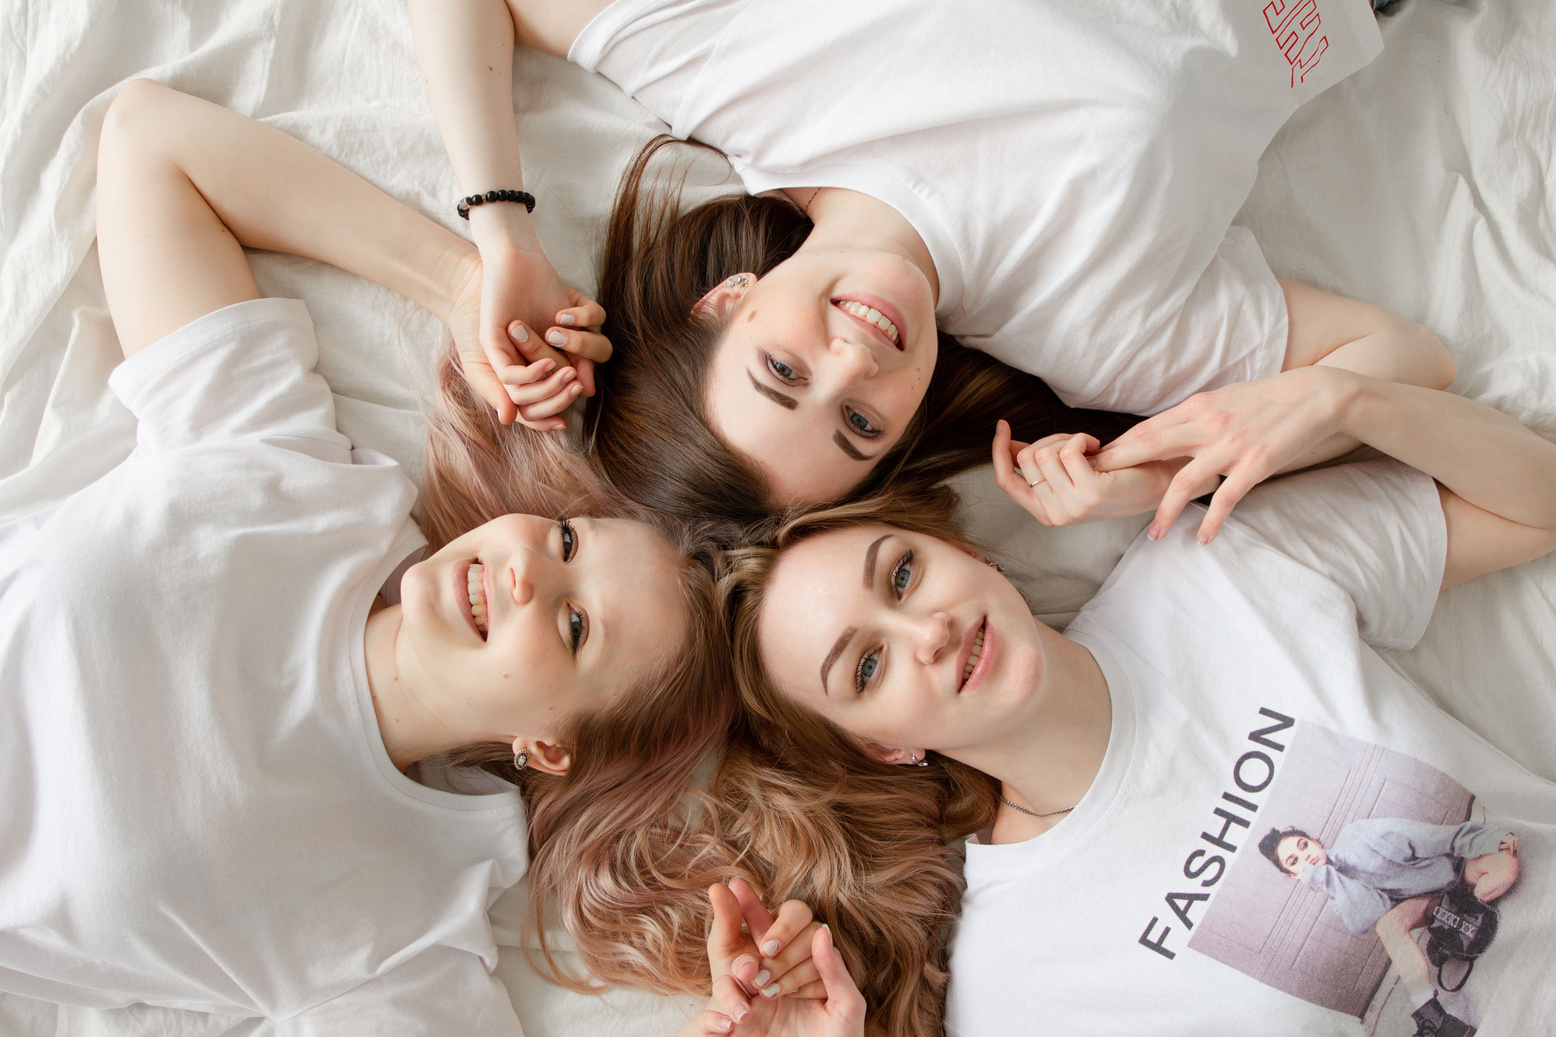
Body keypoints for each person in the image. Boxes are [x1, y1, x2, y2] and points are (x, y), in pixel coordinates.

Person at [0, 80, 736, 1033]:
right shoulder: (298, 480)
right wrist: (464, 284)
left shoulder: (405, 917)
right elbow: (149, 142)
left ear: (547, 746)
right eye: (565, 542)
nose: (525, 572)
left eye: (575, 623)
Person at [712, 362, 1556, 1036]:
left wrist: (1345, 400)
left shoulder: (1219, 564)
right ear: (880, 746)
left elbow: (1535, 505)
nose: (924, 631)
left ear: (970, 552)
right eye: (865, 667)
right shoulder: (1017, 982)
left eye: (903, 574)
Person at [407, 0, 1455, 529]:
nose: (852, 366)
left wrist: (500, 232)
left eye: (783, 372)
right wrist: (1145, 486)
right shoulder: (1096, 331)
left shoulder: (738, 81)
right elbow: (1404, 363)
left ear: (728, 300)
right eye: (859, 424)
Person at [1259, 820, 1520, 1035]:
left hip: (1454, 875)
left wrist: (1490, 839)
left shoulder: (1360, 835)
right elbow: (1374, 914)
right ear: (1294, 877)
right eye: (1295, 861)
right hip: (1428, 904)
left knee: (1506, 867)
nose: (1307, 857)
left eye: (1304, 846)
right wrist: (1325, 876)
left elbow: (1431, 837)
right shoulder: (1335, 891)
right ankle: (1435, 1019)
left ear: (1315, 841)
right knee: (1388, 926)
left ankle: (1448, 930)